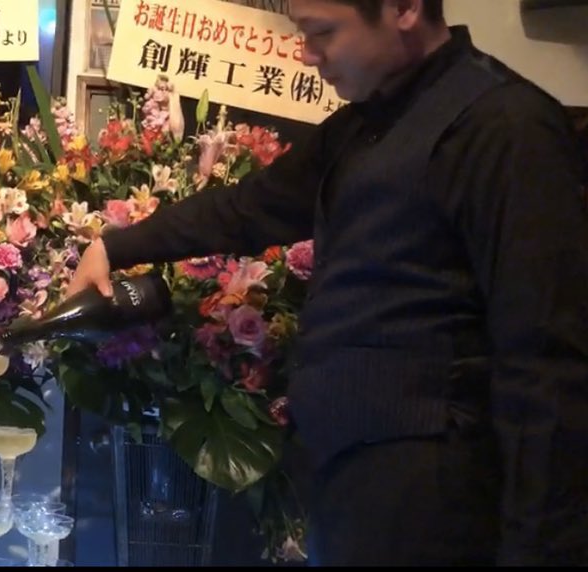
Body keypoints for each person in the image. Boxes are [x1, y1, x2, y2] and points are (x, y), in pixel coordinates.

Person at [68, 0, 588, 566]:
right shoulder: (368, 119)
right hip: (350, 476)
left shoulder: (506, 126)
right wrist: (114, 246)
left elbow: (545, 362)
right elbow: (250, 209)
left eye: (322, 33)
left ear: (404, 8)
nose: (307, 55)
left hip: (433, 494)